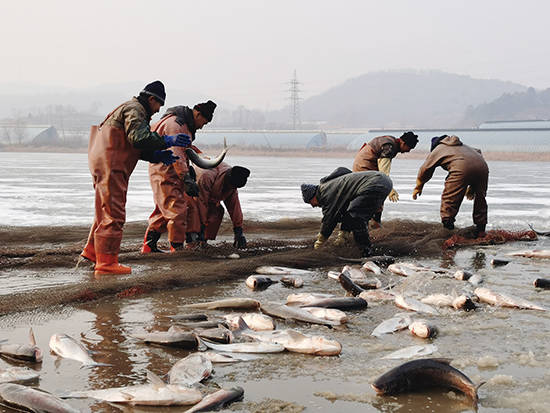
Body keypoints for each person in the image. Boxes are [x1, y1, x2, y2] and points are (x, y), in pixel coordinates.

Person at [80, 81, 192, 276]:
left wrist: (155, 155)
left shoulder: (127, 108)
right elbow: (138, 138)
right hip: (112, 165)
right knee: (114, 214)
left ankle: (92, 253)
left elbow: (130, 144)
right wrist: (167, 140)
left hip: (103, 162)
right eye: (158, 105)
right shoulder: (136, 109)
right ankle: (106, 263)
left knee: (103, 210)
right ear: (151, 99)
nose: (158, 111)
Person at [141, 100, 217, 253]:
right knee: (178, 210)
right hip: (165, 171)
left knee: (164, 210)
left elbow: (182, 152)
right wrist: (187, 177)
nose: (203, 126)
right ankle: (177, 248)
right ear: (197, 114)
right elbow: (176, 154)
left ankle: (149, 246)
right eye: (204, 122)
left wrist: (187, 173)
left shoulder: (182, 125)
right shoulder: (176, 125)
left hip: (168, 171)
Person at [301, 167, 393, 257]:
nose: (312, 206)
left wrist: (320, 242)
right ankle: (349, 242)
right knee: (353, 212)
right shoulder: (331, 187)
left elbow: (329, 220)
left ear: (313, 196)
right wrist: (342, 236)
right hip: (384, 181)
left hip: (375, 183)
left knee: (356, 216)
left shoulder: (326, 193)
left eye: (310, 202)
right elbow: (346, 213)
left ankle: (366, 252)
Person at [412, 135, 488, 237]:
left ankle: (448, 229)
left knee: (449, 199)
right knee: (481, 200)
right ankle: (481, 229)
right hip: (483, 167)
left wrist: (419, 186)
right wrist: (473, 186)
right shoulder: (465, 146)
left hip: (461, 168)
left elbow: (425, 169)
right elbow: (477, 154)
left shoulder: (439, 148)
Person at [352, 131, 418, 229]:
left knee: (373, 194)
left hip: (361, 163)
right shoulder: (389, 147)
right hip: (365, 165)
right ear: (403, 143)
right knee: (378, 191)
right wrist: (390, 189)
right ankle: (374, 222)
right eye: (409, 148)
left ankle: (371, 220)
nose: (408, 151)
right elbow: (383, 173)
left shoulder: (390, 141)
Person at [186, 162, 250, 249]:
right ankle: (191, 241)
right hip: (192, 193)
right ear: (227, 179)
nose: (232, 188)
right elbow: (201, 203)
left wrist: (239, 231)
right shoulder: (207, 177)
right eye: (231, 186)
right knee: (194, 213)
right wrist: (202, 227)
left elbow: (235, 207)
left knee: (217, 212)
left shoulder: (233, 183)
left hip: (209, 197)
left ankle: (203, 240)